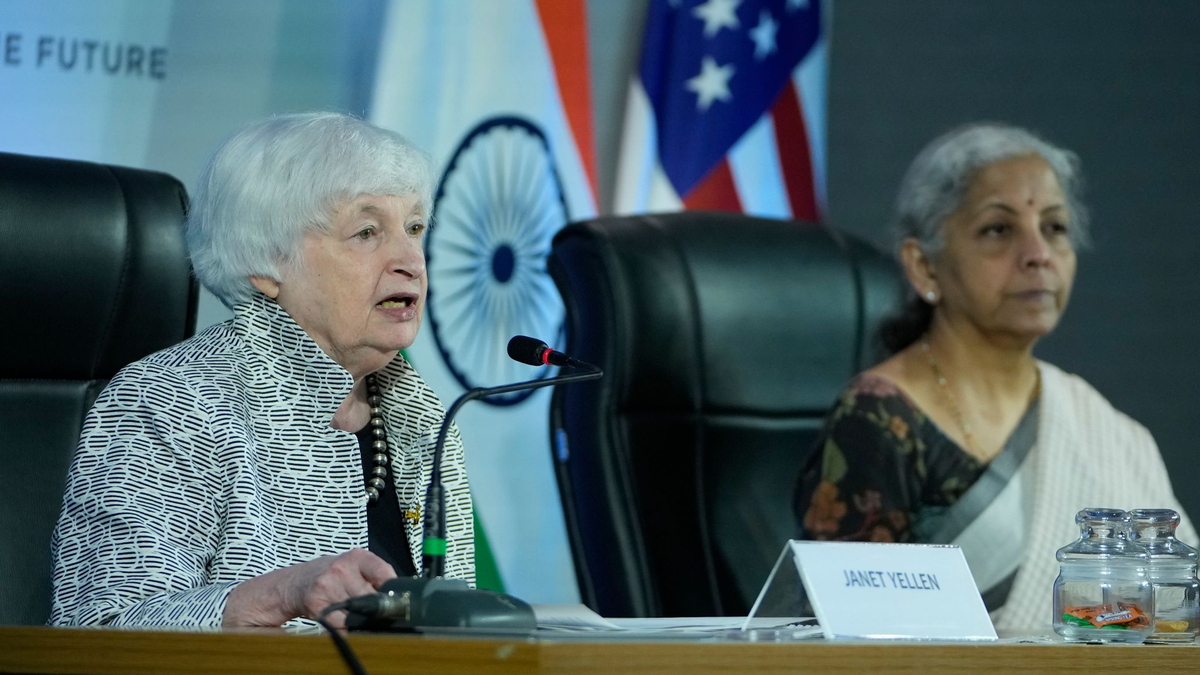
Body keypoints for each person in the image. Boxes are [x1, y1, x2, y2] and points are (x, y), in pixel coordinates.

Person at [49, 112, 474, 629]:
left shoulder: (422, 416)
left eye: (413, 228)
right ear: (265, 263)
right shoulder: (171, 400)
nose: (411, 259)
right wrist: (282, 594)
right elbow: (100, 631)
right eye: (366, 232)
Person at [795, 123, 1195, 631]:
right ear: (924, 267)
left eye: (1054, 228)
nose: (1037, 254)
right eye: (998, 230)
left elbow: (1178, 618)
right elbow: (848, 642)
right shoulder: (879, 420)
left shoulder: (1099, 427)